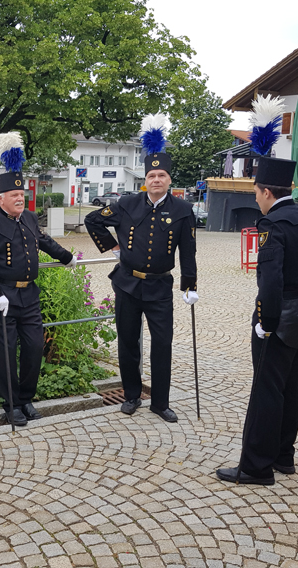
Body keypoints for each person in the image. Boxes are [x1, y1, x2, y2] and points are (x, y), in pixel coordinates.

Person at [216, 157, 298, 486]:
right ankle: (284, 456)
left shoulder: (273, 224)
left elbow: (270, 280)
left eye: (255, 192)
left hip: (277, 316)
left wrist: (266, 322)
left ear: (267, 192)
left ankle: (255, 467)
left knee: (267, 390)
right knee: (292, 385)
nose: (254, 197)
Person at [0, 132, 77, 426]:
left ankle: (27, 397)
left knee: (33, 347)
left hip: (29, 296)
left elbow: (43, 242)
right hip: (1, 298)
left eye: (22, 195)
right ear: (1, 198)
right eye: (14, 196)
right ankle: (12, 404)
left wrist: (66, 257)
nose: (20, 199)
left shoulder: (29, 218)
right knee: (6, 352)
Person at [85, 150, 198, 422]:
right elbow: (93, 220)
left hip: (159, 287)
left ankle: (160, 403)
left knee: (162, 344)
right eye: (151, 176)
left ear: (169, 180)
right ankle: (132, 395)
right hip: (127, 284)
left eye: (161, 175)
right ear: (144, 180)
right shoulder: (127, 203)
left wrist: (189, 285)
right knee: (127, 342)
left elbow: (188, 251)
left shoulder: (183, 210)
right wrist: (113, 247)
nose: (156, 180)